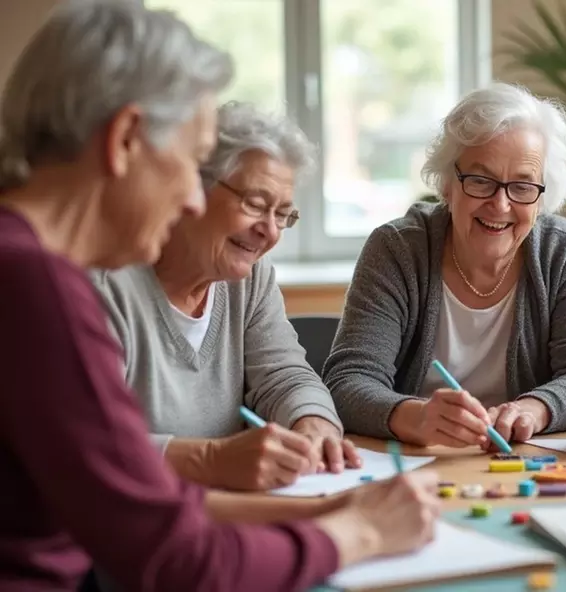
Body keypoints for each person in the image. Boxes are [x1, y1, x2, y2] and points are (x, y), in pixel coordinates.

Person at [0, 3, 438, 590]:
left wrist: (327, 509)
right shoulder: (39, 285)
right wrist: (361, 535)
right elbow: (173, 558)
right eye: (187, 162)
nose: (189, 197)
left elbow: (138, 510)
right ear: (125, 139)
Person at [324, 82, 566, 448]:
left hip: (523, 463)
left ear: (543, 197)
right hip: (416, 464)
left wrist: (534, 409)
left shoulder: (563, 251)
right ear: (448, 184)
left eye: (523, 187)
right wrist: (416, 416)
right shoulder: (397, 249)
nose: (500, 205)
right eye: (481, 181)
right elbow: (348, 380)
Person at [91, 100, 361, 492]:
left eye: (283, 214)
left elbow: (284, 376)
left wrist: (312, 422)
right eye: (255, 204)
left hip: (227, 509)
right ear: (194, 188)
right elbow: (87, 447)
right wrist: (208, 460)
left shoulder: (250, 278)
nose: (269, 231)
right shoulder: (105, 284)